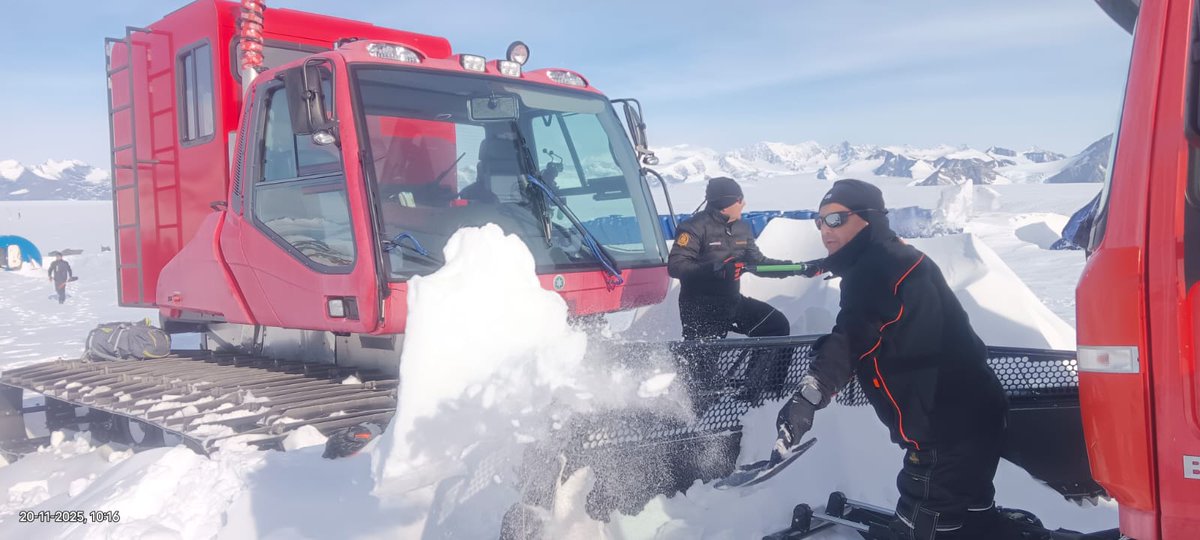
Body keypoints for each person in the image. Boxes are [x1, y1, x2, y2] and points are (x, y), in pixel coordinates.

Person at [775, 179, 1010, 540]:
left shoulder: (878, 268)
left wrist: (809, 395)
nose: (824, 229)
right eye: (818, 221)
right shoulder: (895, 256)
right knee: (972, 519)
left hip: (942, 432)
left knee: (924, 529)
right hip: (976, 417)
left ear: (868, 219)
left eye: (836, 219)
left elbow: (851, 338)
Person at [667, 177, 812, 407]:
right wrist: (716, 270)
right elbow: (676, 266)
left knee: (776, 326)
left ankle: (762, 394)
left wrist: (799, 269)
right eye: (740, 200)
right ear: (728, 202)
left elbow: (759, 263)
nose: (744, 205)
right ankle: (697, 419)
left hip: (732, 304)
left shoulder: (742, 228)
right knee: (704, 383)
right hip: (700, 310)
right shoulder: (694, 227)